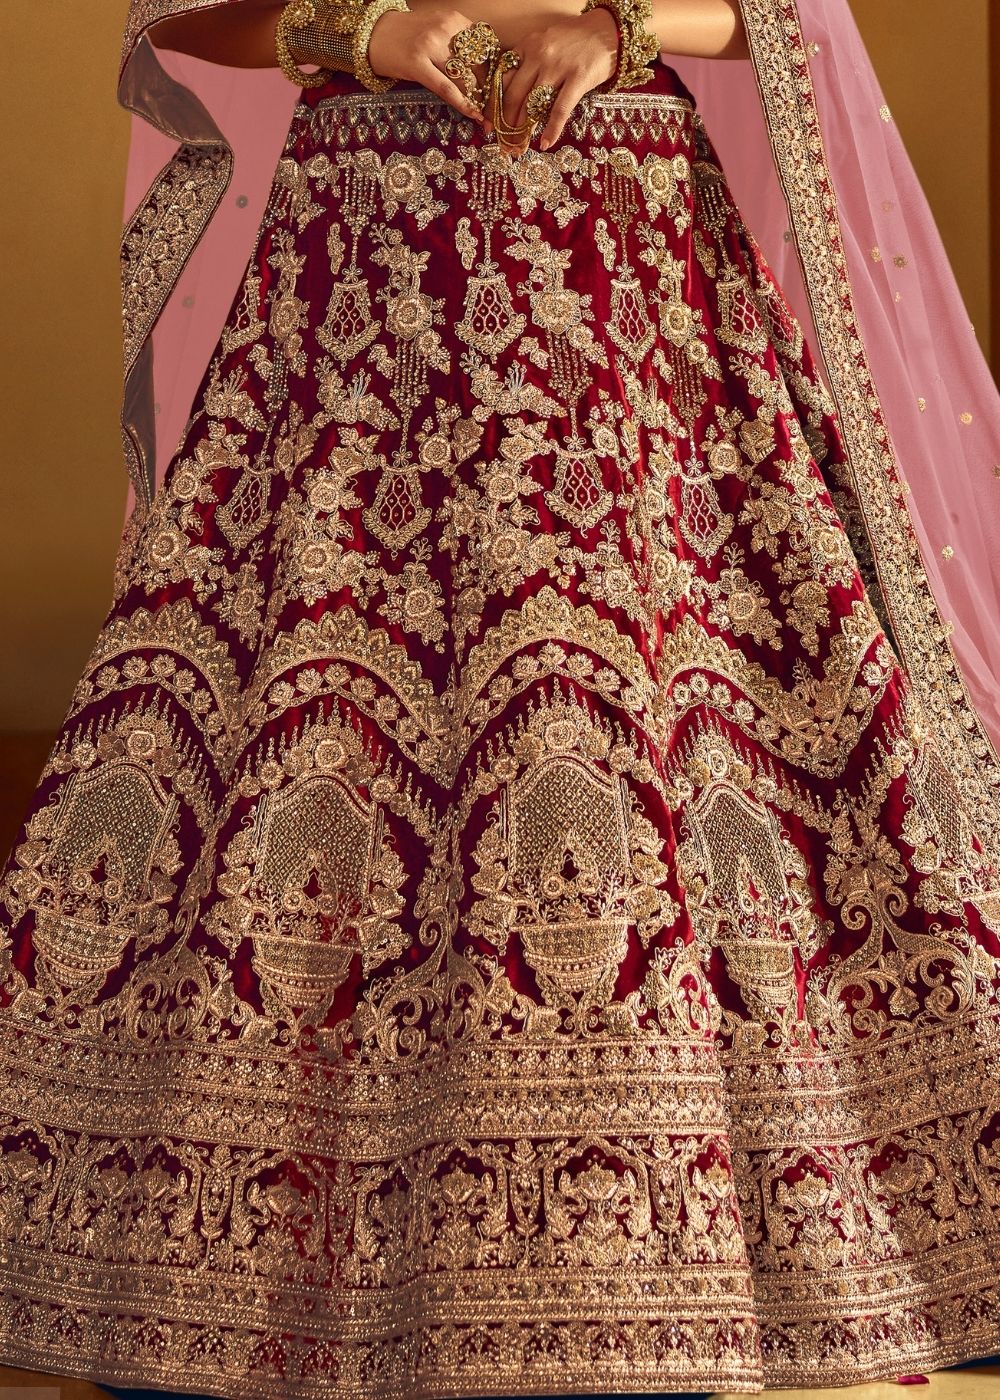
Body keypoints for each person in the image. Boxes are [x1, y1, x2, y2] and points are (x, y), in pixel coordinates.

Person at [1, 2, 999, 1397]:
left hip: (622, 260)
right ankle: (239, 1253)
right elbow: (179, 17)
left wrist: (620, 26)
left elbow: (782, 10)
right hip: (361, 274)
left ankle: (722, 1245)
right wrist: (362, 31)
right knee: (328, 721)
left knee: (653, 699)